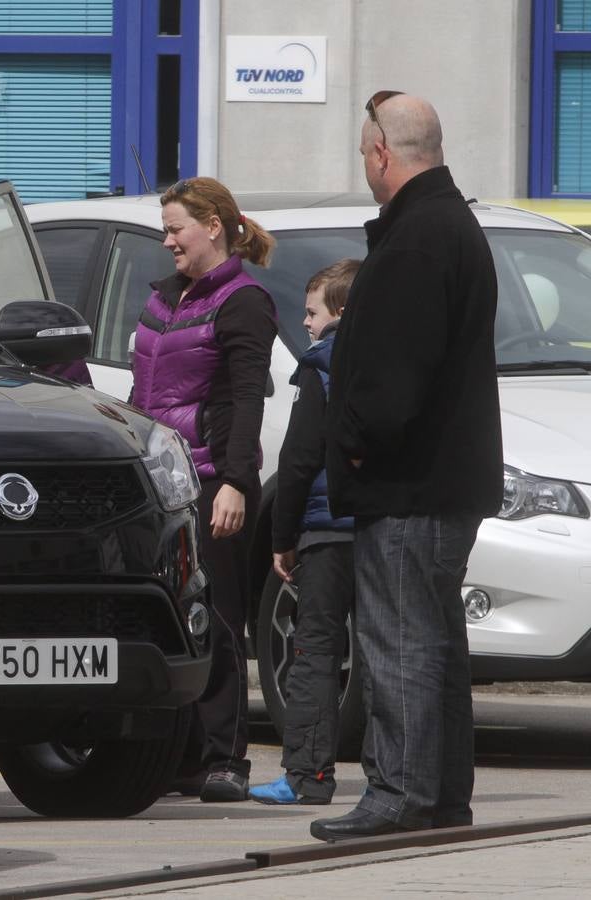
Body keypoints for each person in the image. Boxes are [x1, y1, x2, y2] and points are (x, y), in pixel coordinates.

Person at [310, 92, 503, 840]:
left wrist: (356, 441)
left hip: (410, 484)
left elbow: (393, 379)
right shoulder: (444, 225)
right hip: (437, 480)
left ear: (383, 155)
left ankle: (400, 796)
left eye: (365, 155)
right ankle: (439, 795)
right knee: (433, 642)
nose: (366, 167)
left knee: (401, 643)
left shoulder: (419, 237)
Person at [131, 177, 277, 802]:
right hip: (160, 481)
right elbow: (145, 394)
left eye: (175, 229)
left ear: (213, 226)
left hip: (211, 480)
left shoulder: (243, 301)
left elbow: (247, 401)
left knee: (217, 620)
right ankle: (181, 756)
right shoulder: (162, 298)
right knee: (168, 620)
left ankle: (225, 760)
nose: (166, 241)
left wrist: (237, 484)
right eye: (164, 229)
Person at [249, 258, 361, 806]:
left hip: (325, 532)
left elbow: (296, 462)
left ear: (338, 310)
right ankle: (398, 774)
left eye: (313, 312)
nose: (307, 324)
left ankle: (307, 775)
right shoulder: (385, 362)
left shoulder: (319, 367)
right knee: (384, 648)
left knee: (315, 647)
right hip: (382, 528)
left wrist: (281, 537)